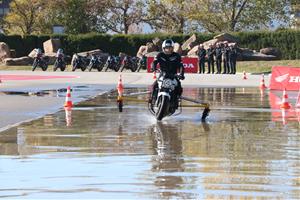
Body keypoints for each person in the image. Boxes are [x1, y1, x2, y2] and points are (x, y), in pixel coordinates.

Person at [150, 39, 185, 104]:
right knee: (154, 86)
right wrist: (153, 68)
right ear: (163, 48)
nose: (168, 50)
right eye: (166, 48)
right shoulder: (159, 55)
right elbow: (154, 62)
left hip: (173, 75)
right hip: (162, 74)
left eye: (170, 48)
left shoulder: (177, 56)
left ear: (172, 48)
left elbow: (181, 66)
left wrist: (181, 74)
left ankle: (176, 101)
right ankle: (153, 99)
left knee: (179, 88)